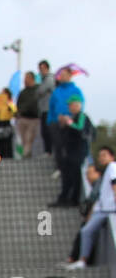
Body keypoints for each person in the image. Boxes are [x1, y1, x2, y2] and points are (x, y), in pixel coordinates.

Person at [67, 147, 116, 270]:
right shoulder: (107, 170)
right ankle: (82, 259)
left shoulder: (112, 167)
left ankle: (83, 259)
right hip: (104, 208)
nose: (102, 158)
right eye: (100, 156)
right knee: (86, 231)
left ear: (112, 156)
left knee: (86, 231)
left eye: (105, 155)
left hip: (108, 209)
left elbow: (114, 183)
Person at [49, 69, 87, 207]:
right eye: (70, 105)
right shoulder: (57, 91)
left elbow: (80, 129)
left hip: (77, 152)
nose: (72, 107)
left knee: (75, 176)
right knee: (67, 174)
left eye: (74, 105)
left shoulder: (81, 117)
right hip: (68, 152)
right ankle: (64, 198)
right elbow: (52, 108)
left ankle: (74, 200)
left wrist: (69, 122)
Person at [15, 71, 40, 158]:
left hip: (33, 118)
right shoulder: (23, 92)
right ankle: (26, 154)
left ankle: (26, 155)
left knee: (29, 137)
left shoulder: (38, 90)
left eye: (26, 78)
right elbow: (18, 104)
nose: (25, 80)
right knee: (23, 139)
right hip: (23, 118)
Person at [36, 60, 56, 155]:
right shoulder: (43, 80)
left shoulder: (49, 79)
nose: (41, 71)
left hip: (48, 109)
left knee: (48, 131)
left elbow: (40, 91)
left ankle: (49, 151)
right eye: (40, 69)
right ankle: (47, 150)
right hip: (43, 109)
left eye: (42, 69)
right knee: (44, 131)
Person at [0, 88, 16, 160]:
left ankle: (9, 157)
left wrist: (7, 104)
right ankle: (1, 158)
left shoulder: (11, 103)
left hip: (7, 123)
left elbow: (14, 112)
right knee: (1, 143)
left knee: (8, 142)